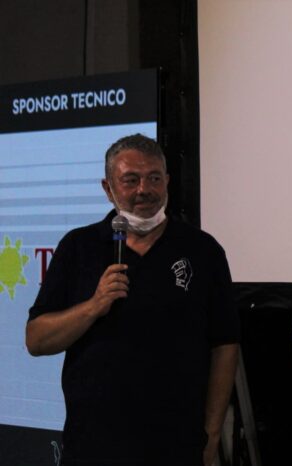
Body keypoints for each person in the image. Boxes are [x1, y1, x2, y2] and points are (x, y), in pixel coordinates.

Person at [25, 134, 240, 466]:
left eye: (154, 178)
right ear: (108, 188)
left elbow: (225, 345)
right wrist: (93, 306)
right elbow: (37, 340)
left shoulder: (202, 249)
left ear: (167, 182)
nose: (144, 189)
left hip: (176, 446)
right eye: (131, 180)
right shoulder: (79, 246)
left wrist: (212, 433)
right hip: (93, 446)